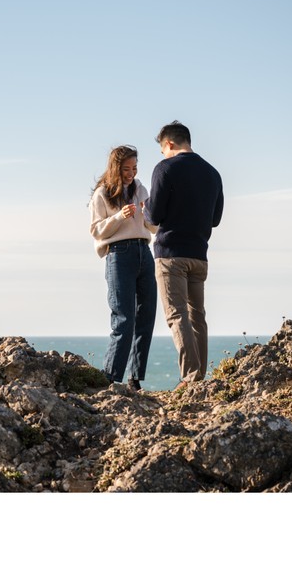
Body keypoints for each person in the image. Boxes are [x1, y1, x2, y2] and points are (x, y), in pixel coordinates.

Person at [144, 121, 224, 391]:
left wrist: (144, 209)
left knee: (176, 314)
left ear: (168, 144)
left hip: (170, 254)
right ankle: (200, 375)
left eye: (162, 149)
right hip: (199, 255)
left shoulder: (165, 168)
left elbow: (154, 216)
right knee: (197, 315)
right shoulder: (213, 173)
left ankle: (190, 378)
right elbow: (216, 219)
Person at [90, 145, 158, 391]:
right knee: (124, 318)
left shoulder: (141, 189)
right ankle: (110, 378)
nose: (131, 173)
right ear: (115, 168)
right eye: (126, 169)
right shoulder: (102, 194)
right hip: (119, 254)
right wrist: (119, 216)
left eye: (134, 168)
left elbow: (153, 228)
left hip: (144, 252)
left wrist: (148, 214)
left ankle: (135, 378)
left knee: (147, 315)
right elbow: (96, 230)